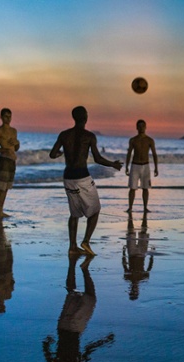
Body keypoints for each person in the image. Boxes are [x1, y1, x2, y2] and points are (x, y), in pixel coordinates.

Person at [50, 106, 123, 256]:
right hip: (82, 176)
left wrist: (62, 153)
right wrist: (113, 164)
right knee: (95, 210)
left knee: (74, 214)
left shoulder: (64, 134)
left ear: (74, 117)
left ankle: (72, 247)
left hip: (68, 177)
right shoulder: (89, 136)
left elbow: (52, 154)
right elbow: (97, 158)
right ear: (86, 117)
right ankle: (86, 242)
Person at [0, 108, 20, 219]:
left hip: (12, 160)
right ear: (1, 117)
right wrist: (5, 150)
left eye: (9, 116)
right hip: (3, 160)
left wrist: (17, 143)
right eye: (6, 116)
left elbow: (16, 148)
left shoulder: (14, 131)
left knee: (6, 187)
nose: (8, 119)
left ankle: (0, 210)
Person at [125, 119, 158, 213]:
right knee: (132, 188)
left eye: (143, 126)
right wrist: (126, 166)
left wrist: (156, 168)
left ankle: (145, 208)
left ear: (146, 127)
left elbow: (154, 154)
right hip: (135, 165)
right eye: (139, 126)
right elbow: (129, 153)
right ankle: (130, 207)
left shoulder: (149, 140)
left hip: (146, 166)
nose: (141, 128)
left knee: (145, 188)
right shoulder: (133, 140)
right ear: (136, 127)